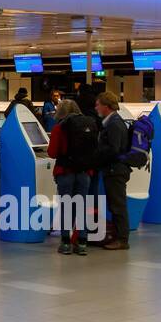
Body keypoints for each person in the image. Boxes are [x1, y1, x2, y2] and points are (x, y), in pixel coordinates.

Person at [47, 99, 96, 256]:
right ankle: (82, 243)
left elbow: (52, 152)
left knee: (66, 206)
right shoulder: (89, 124)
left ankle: (65, 243)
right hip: (84, 172)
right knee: (81, 206)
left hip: (65, 172)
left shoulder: (59, 128)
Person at [93, 91, 131, 251]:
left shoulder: (114, 123)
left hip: (115, 170)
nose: (96, 107)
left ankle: (122, 240)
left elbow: (113, 149)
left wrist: (96, 156)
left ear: (106, 106)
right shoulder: (112, 121)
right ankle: (119, 237)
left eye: (98, 104)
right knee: (115, 204)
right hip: (114, 169)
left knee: (117, 205)